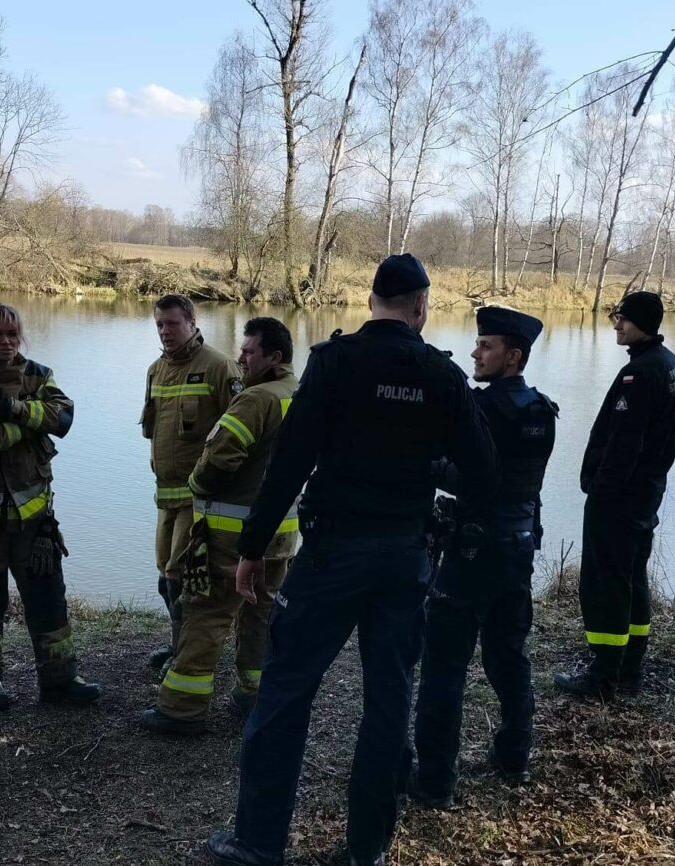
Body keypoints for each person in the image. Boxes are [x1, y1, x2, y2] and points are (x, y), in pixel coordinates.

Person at [205, 254, 497, 866]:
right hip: (404, 558)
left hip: (334, 553)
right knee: (389, 700)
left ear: (371, 302)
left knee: (285, 690)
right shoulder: (440, 375)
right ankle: (366, 849)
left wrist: (252, 548)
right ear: (421, 307)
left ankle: (258, 842)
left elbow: (290, 463)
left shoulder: (335, 362)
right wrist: (431, 470)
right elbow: (484, 472)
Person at [407, 306, 557, 808]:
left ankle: (433, 782)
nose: (476, 351)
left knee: (445, 666)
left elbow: (468, 478)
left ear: (512, 356)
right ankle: (515, 754)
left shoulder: (481, 409)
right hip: (518, 549)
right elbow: (522, 485)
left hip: (472, 551)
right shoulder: (541, 411)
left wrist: (429, 466)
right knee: (507, 654)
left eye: (486, 345)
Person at [141, 317, 300, 735]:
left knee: (206, 614)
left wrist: (195, 483)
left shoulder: (256, 399)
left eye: (249, 351)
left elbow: (219, 461)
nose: (240, 357)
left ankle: (181, 709)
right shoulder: (297, 393)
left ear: (274, 357)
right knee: (260, 614)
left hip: (234, 537)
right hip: (281, 536)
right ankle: (254, 695)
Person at [0, 303, 101, 711]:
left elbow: (63, 418)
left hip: (34, 522)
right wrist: (32, 425)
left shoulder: (39, 375)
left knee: (49, 602)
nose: (5, 342)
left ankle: (60, 682)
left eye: (12, 334)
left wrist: (14, 410)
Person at [554, 290, 675, 702]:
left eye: (622, 318)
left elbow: (624, 443)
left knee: (605, 583)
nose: (615, 324)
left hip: (619, 497)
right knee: (632, 577)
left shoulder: (641, 373)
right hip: (647, 493)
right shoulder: (673, 367)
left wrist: (600, 491)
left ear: (642, 324)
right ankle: (630, 667)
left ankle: (603, 675)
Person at [140, 294, 242, 670]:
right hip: (165, 496)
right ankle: (177, 643)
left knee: (178, 576)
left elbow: (240, 431)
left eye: (171, 324)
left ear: (192, 322)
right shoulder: (155, 370)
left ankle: (187, 654)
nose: (165, 332)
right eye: (159, 325)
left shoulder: (220, 367)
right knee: (165, 576)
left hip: (200, 498)